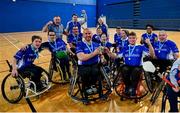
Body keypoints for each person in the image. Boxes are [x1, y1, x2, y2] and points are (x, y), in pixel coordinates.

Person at [106, 32, 155, 96]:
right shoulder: (125, 48)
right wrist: (108, 52)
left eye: (133, 38)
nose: (132, 39)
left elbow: (152, 55)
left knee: (136, 71)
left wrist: (149, 45)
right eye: (130, 38)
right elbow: (116, 56)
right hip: (127, 66)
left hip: (137, 67)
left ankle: (133, 88)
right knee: (124, 69)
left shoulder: (140, 47)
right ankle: (127, 87)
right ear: (128, 39)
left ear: (136, 39)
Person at [76, 28, 109, 104]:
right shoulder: (80, 44)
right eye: (86, 34)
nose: (88, 35)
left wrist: (102, 58)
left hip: (95, 64)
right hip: (84, 65)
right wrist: (94, 53)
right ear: (83, 35)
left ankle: (93, 86)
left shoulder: (96, 44)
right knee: (86, 72)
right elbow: (81, 57)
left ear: (92, 34)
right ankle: (87, 89)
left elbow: (100, 55)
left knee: (96, 71)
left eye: (89, 33)